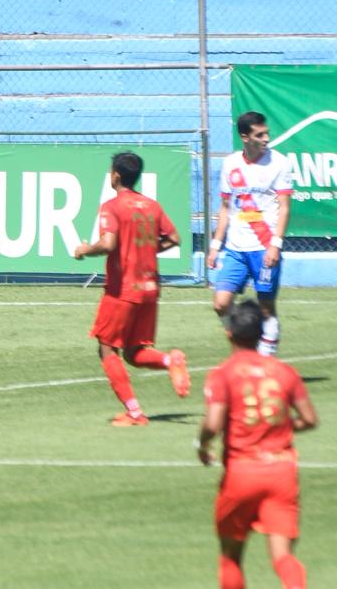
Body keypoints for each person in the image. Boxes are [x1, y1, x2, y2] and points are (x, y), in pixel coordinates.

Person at [198, 299, 317, 589]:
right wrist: (283, 426)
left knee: (231, 557)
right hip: (281, 471)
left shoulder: (223, 374)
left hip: (242, 472)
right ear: (262, 332)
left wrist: (201, 445)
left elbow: (213, 425)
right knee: (283, 556)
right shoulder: (284, 372)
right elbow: (309, 419)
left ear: (229, 333)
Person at [74, 151, 190, 426]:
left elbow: (109, 244)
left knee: (107, 348)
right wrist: (148, 250)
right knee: (135, 352)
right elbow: (174, 238)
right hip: (150, 287)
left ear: (114, 175)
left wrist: (84, 250)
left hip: (122, 290)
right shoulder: (152, 205)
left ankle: (135, 412)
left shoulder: (112, 207)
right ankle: (168, 361)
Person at [207, 111, 293, 356]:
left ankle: (264, 361)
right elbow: (225, 207)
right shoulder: (231, 163)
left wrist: (276, 244)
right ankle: (243, 345)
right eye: (260, 134)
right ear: (245, 137)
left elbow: (284, 206)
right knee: (220, 303)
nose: (266, 138)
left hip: (264, 247)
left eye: (266, 133)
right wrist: (215, 245)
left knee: (266, 309)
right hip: (235, 248)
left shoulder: (279, 162)